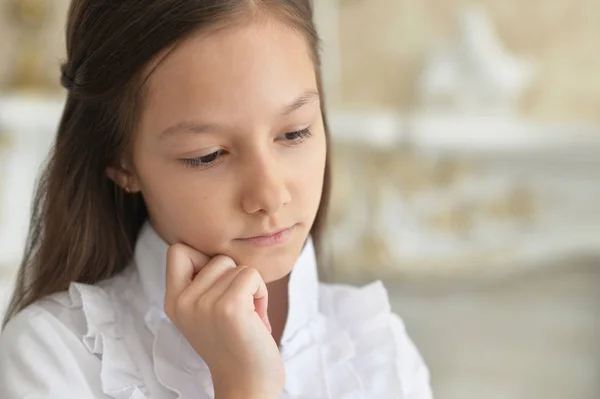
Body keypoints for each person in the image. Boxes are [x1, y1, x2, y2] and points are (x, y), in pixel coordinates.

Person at [0, 1, 433, 398]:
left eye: (295, 132)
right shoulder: (55, 355)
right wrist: (246, 384)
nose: (270, 195)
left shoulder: (377, 347)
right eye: (207, 156)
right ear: (121, 162)